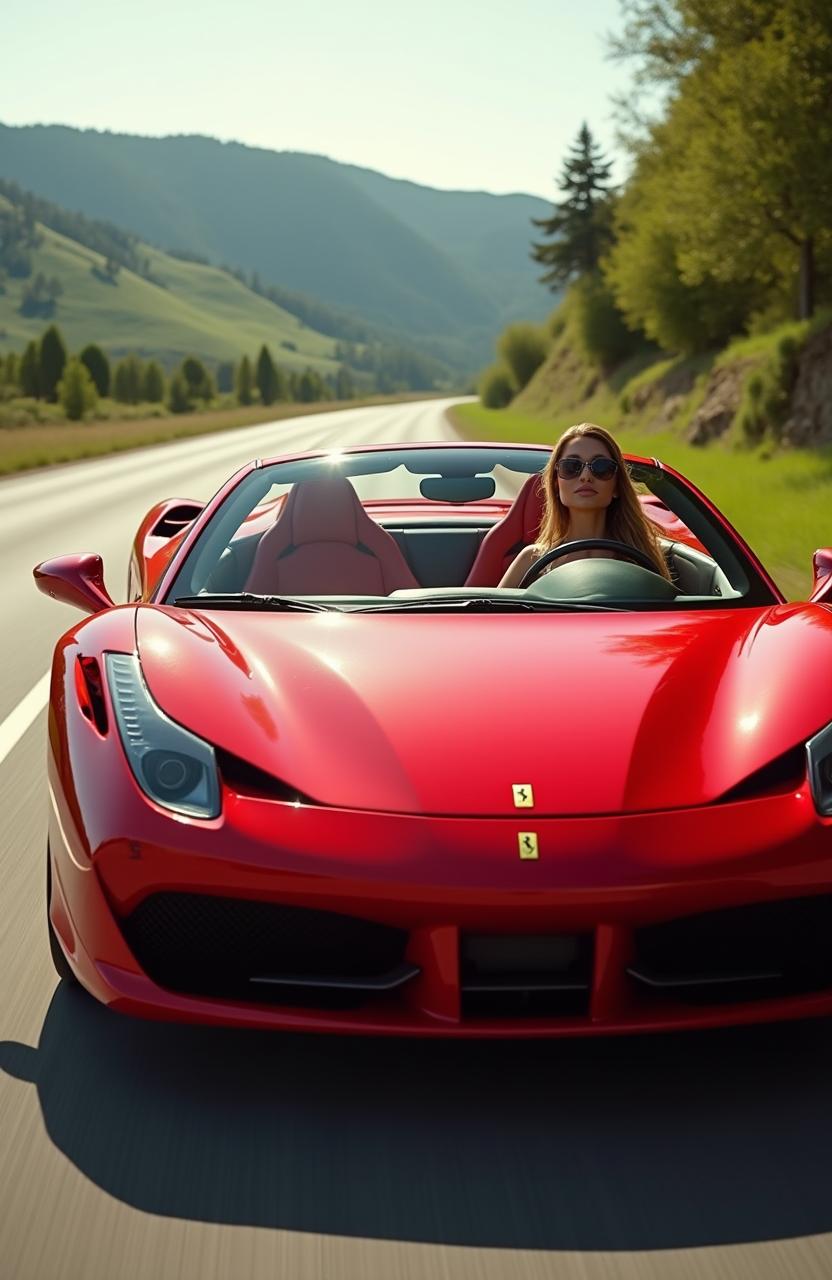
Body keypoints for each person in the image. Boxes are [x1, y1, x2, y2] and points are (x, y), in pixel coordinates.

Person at [499, 422, 671, 587]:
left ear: (617, 487)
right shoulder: (531, 559)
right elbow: (489, 616)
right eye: (571, 466)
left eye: (601, 467)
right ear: (556, 485)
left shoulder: (643, 559)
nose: (586, 476)